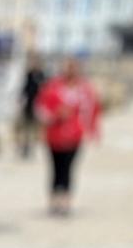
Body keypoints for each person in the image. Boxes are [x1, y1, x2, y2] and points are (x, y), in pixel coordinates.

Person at [34, 55, 101, 216]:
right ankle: (54, 200)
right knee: (55, 169)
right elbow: (40, 108)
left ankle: (65, 201)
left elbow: (93, 110)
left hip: (74, 135)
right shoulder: (52, 87)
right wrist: (54, 115)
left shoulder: (84, 89)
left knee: (68, 169)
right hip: (54, 135)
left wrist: (93, 131)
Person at [15, 52, 46, 159]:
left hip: (38, 105)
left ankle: (32, 148)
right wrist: (20, 100)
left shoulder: (42, 75)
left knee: (35, 128)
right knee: (25, 127)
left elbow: (45, 90)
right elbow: (24, 89)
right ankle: (25, 148)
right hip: (29, 105)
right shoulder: (28, 74)